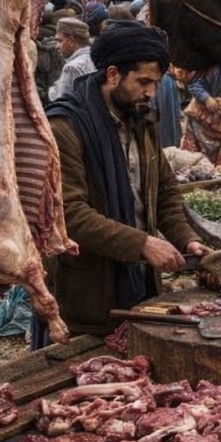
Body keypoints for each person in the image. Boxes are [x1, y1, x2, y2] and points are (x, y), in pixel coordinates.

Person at [41, 23, 207, 345]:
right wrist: (143, 244)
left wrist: (187, 240)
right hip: (88, 291)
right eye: (143, 82)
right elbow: (68, 214)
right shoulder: (64, 127)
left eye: (156, 83)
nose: (151, 93)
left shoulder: (143, 118)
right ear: (113, 75)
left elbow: (164, 191)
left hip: (140, 282)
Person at [48, 17, 94, 101]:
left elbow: (61, 101)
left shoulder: (72, 68)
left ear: (70, 41)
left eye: (60, 41)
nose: (56, 46)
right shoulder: (94, 58)